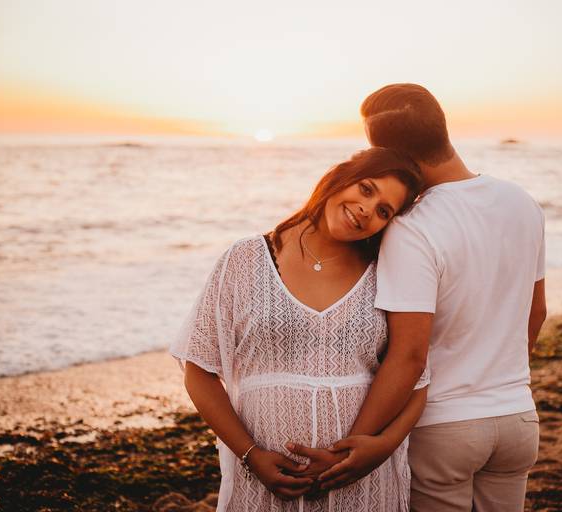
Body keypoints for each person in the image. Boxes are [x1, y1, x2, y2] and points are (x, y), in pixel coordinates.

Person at [312, 84, 547, 511]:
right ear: (441, 126)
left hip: (445, 426)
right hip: (517, 417)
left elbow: (409, 355)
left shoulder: (413, 226)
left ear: (391, 156)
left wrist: (356, 443)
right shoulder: (521, 201)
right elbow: (537, 312)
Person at [170, 146, 430, 511]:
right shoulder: (245, 258)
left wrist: (381, 448)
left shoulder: (385, 272)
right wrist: (251, 454)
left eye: (383, 211)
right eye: (367, 189)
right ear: (339, 178)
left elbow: (416, 377)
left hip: (363, 484)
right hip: (263, 484)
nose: (367, 210)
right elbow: (199, 369)